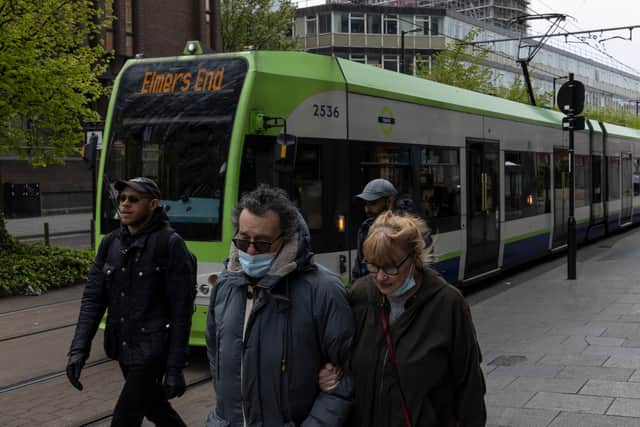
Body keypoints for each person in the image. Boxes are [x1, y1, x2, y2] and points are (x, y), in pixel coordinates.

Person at [205, 184, 354, 427]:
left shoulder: (323, 290)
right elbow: (216, 358)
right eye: (243, 241)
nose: (251, 250)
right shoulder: (225, 285)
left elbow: (346, 377)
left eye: (263, 243)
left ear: (285, 239)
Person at [322, 211, 486, 426]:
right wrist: (330, 375)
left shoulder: (448, 304)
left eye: (390, 266)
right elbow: (340, 358)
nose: (381, 277)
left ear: (414, 258)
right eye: (373, 265)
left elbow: (469, 386)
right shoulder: (360, 295)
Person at [66, 177, 195, 427]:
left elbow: (181, 312)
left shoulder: (170, 244)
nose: (124, 204)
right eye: (122, 198)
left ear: (153, 204)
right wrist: (79, 349)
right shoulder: (111, 243)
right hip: (123, 346)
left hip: (153, 350)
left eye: (133, 200)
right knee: (157, 409)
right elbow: (93, 298)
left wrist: (175, 367)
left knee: (124, 420)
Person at [352, 178, 398, 279]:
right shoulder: (365, 228)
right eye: (366, 204)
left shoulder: (404, 231)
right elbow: (358, 268)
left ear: (389, 202)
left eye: (372, 203)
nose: (367, 210)